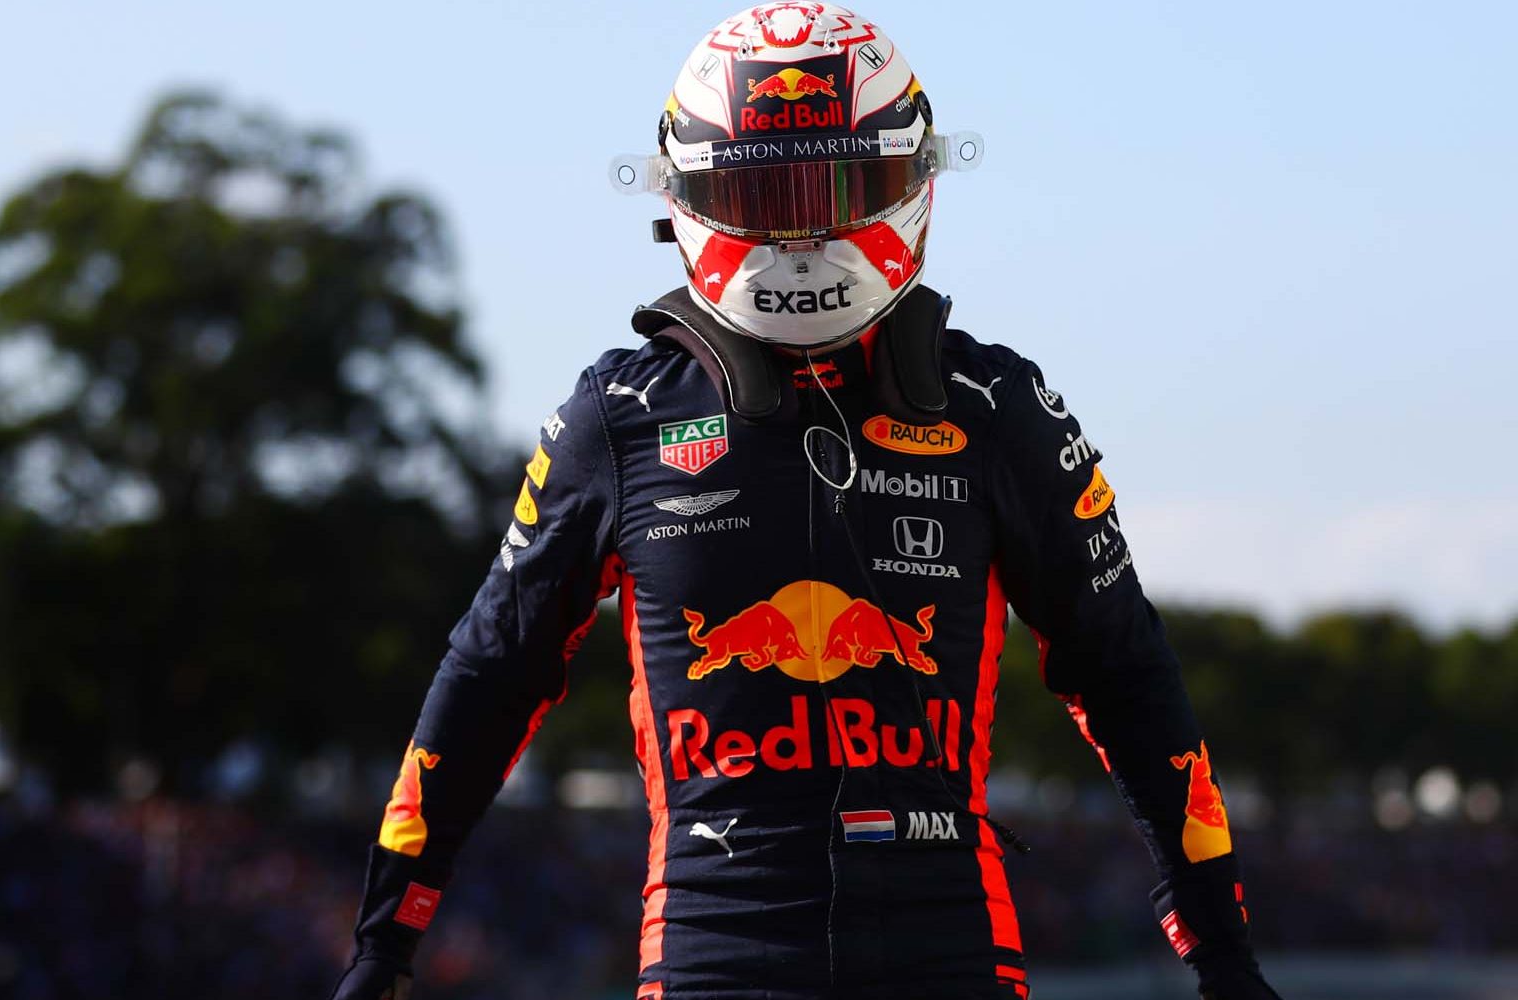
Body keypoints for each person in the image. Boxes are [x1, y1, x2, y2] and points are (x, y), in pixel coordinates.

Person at [329, 4, 1282, 998]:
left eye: (836, 187)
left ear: (908, 180)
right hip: (717, 951)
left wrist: (1220, 948)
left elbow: (1126, 671)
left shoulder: (998, 407)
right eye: (764, 193)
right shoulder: (616, 415)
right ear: (688, 194)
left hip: (950, 951)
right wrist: (385, 941)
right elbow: (492, 670)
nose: (798, 227)